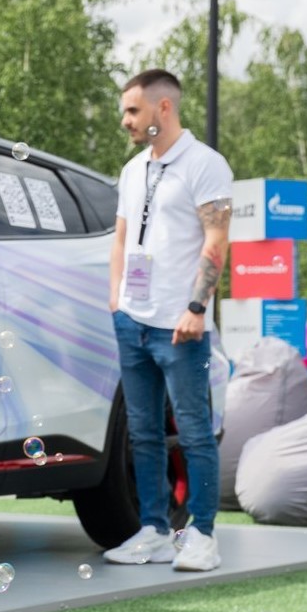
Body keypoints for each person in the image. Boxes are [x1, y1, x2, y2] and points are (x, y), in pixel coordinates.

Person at [102, 68, 232, 572]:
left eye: (133, 110)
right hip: (132, 320)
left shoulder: (205, 164)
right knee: (142, 433)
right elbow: (121, 238)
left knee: (194, 432)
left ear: (164, 108)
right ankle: (153, 531)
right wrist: (116, 299)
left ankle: (202, 535)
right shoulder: (133, 170)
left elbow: (216, 239)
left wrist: (197, 308)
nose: (125, 120)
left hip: (181, 325)